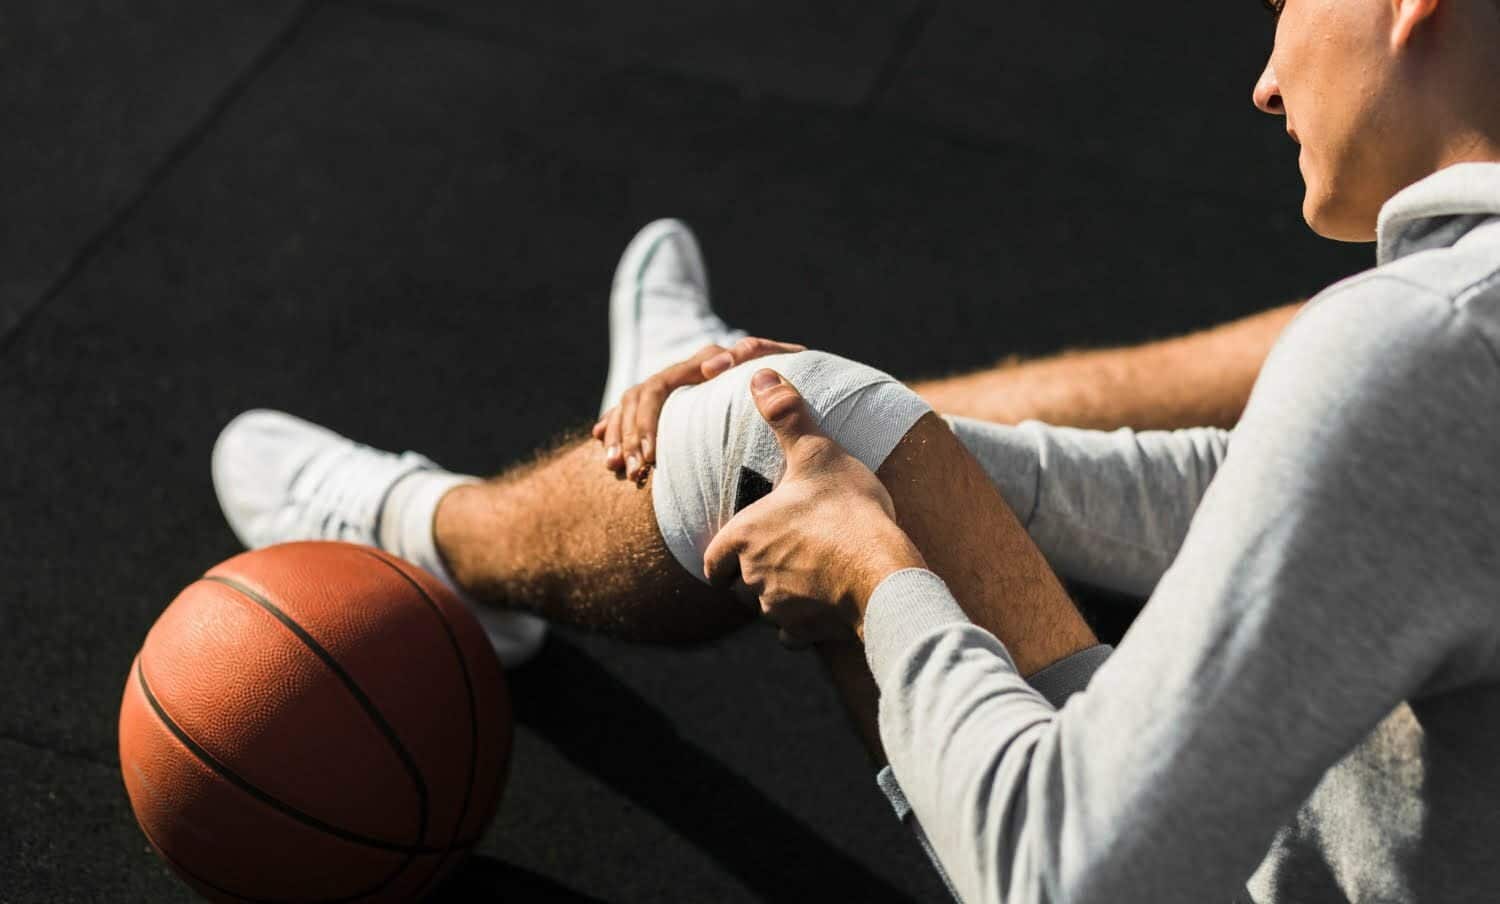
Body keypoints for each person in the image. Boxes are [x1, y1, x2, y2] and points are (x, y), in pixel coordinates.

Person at [210, 0, 1500, 898]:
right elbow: (1285, 480)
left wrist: (877, 573)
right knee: (807, 420)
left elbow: (1062, 876)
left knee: (756, 437)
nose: (1265, 77)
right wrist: (888, 441)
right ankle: (519, 515)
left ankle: (431, 538)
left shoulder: (1427, 342)